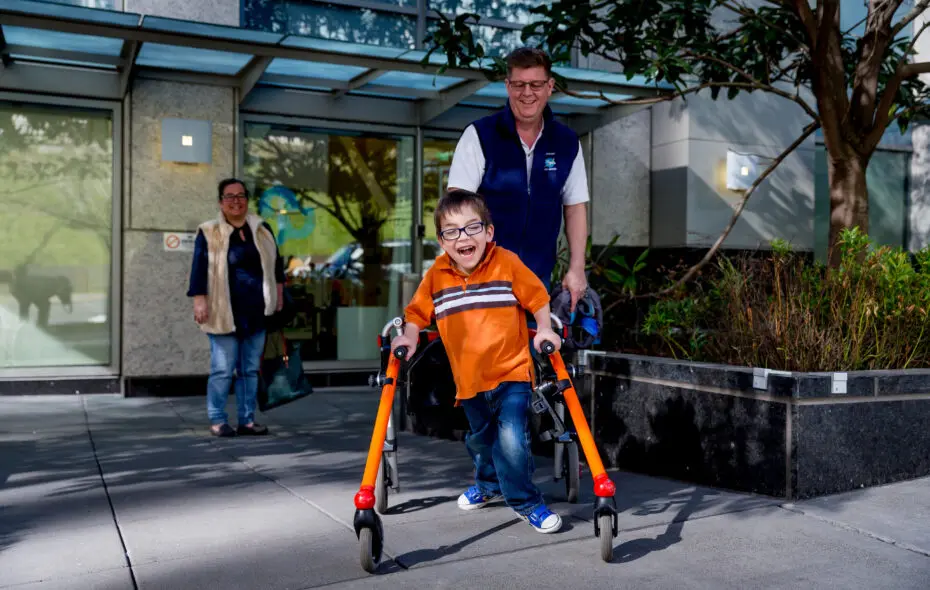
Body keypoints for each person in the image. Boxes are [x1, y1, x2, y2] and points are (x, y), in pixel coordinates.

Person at [390, 189, 564, 534]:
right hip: (468, 380)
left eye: (471, 228)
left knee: (512, 438)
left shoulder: (506, 263)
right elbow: (416, 313)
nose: (463, 237)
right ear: (442, 240)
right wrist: (408, 336)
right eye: (451, 231)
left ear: (489, 232)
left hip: (512, 371)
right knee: (481, 439)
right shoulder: (437, 276)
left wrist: (545, 328)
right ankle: (488, 484)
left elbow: (537, 297)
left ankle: (526, 501)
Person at [447, 46, 589, 312]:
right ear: (507, 86)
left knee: (532, 354)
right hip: (480, 287)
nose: (527, 93)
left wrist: (577, 269)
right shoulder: (479, 135)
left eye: (535, 84)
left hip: (537, 287)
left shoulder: (567, 143)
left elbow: (575, 206)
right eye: (519, 84)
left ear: (550, 86)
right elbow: (455, 211)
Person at [187, 178, 285, 437]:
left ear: (247, 199)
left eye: (240, 195)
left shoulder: (262, 229)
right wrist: (199, 300)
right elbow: (198, 268)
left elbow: (277, 266)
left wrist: (279, 296)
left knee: (250, 370)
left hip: (256, 310)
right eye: (229, 196)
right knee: (222, 369)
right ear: (220, 202)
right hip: (223, 311)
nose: (236, 201)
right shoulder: (208, 231)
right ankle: (218, 419)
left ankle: (247, 420)